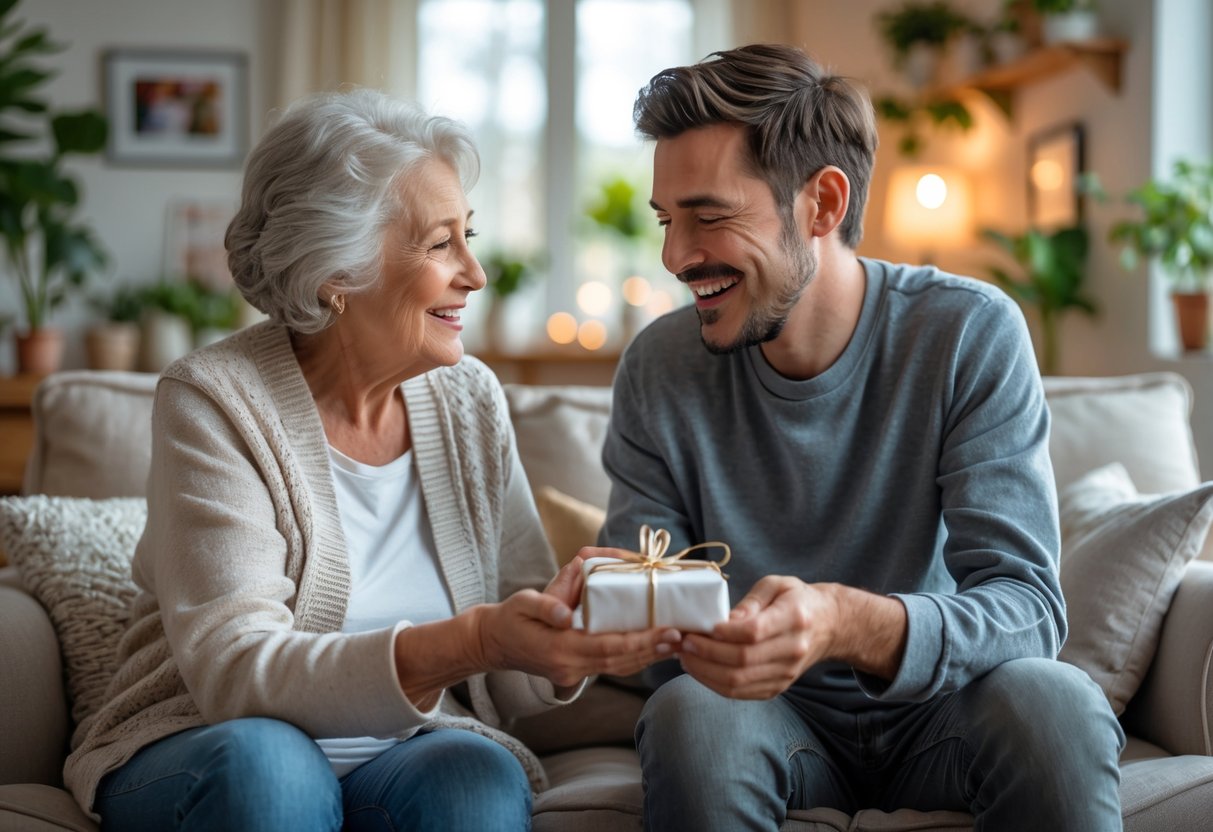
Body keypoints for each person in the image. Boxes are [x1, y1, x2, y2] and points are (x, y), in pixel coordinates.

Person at [65, 88, 680, 831]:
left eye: (469, 235)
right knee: (276, 773)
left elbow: (504, 684)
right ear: (337, 271)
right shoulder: (216, 398)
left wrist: (558, 646)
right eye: (439, 243)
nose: (475, 274)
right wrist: (476, 637)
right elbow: (235, 673)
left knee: (475, 778)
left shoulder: (469, 398)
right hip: (205, 740)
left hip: (405, 749)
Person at [586, 44, 1125, 831]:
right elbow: (647, 603)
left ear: (822, 204)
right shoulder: (659, 367)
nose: (675, 256)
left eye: (709, 216)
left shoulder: (967, 332)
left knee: (1055, 701)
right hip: (759, 719)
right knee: (689, 714)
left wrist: (843, 621)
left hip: (942, 714)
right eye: (668, 221)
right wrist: (611, 610)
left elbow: (1026, 608)